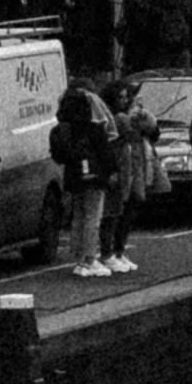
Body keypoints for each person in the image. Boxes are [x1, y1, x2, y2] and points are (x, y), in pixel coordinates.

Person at [50, 60, 117, 276]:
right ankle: (90, 258)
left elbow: (59, 155)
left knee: (78, 215)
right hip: (95, 177)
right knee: (92, 217)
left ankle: (79, 257)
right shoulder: (93, 128)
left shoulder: (61, 130)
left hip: (73, 175)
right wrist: (112, 171)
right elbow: (106, 153)